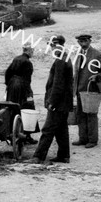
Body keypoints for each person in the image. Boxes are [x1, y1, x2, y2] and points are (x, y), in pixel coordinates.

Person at [27, 35, 73, 164]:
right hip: (64, 102)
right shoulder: (65, 57)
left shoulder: (60, 60)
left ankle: (38, 157)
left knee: (48, 129)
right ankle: (64, 156)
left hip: (58, 102)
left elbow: (58, 84)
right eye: (51, 45)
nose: (52, 47)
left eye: (54, 45)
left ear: (60, 45)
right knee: (61, 129)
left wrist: (52, 102)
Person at [73, 34, 101, 149]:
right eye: (80, 41)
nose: (82, 43)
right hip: (80, 90)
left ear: (90, 41)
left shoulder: (97, 54)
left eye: (84, 41)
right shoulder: (79, 54)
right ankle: (83, 138)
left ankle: (92, 140)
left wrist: (98, 77)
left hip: (91, 90)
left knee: (91, 115)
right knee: (80, 114)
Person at [5, 43, 38, 144]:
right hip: (21, 87)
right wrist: (29, 94)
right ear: (28, 51)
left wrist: (8, 84)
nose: (33, 53)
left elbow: (7, 72)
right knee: (27, 107)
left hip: (12, 86)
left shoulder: (16, 59)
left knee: (12, 107)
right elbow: (27, 80)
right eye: (32, 51)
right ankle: (26, 135)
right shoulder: (28, 62)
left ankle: (12, 133)